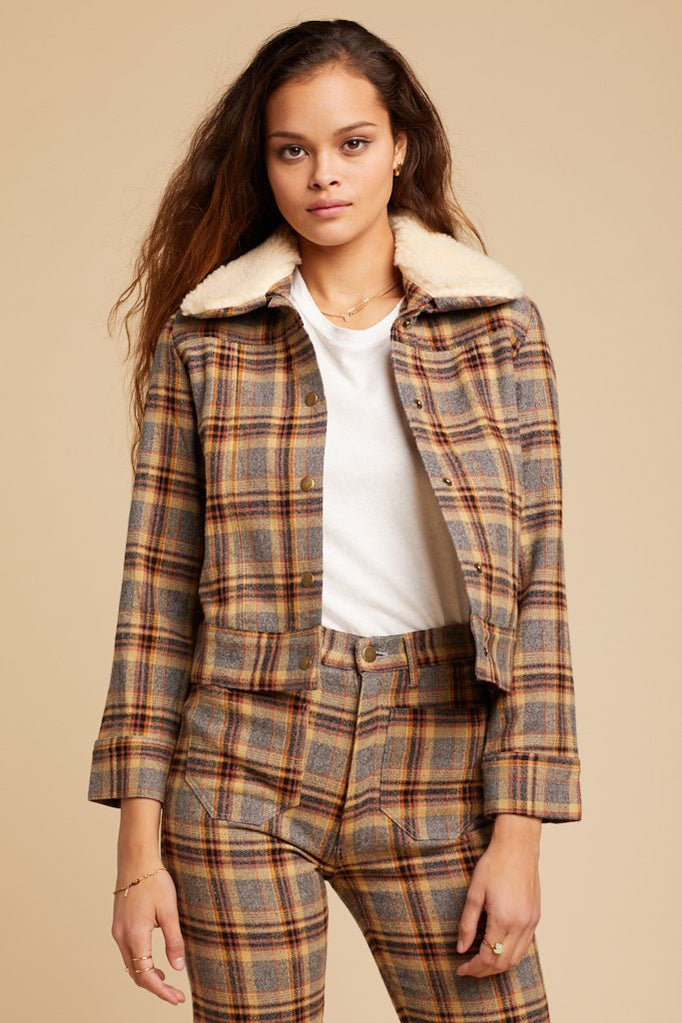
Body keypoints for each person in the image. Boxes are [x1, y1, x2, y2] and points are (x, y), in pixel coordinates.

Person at [87, 17, 582, 1023]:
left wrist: (519, 831)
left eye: (352, 142)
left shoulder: (498, 328)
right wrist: (138, 857)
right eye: (292, 150)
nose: (324, 175)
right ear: (263, 164)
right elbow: (156, 597)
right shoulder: (208, 340)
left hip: (437, 747)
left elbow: (538, 592)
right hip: (243, 753)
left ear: (401, 147)